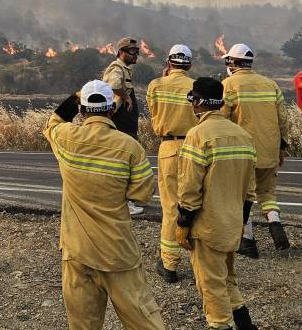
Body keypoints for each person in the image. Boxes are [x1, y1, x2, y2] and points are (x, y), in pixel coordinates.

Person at [44, 80, 164, 330]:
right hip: (117, 252)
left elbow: (52, 123)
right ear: (112, 111)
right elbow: (141, 195)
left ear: (82, 111)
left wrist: (76, 96)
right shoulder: (130, 148)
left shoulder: (66, 138)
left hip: (77, 252)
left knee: (83, 324)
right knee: (144, 321)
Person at [176, 77, 260, 330]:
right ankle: (246, 325)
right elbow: (250, 189)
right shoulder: (243, 135)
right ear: (221, 103)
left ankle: (219, 324)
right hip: (233, 224)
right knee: (227, 279)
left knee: (210, 283)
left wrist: (183, 222)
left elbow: (190, 187)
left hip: (208, 226)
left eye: (193, 100)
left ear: (198, 103)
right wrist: (242, 219)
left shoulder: (198, 135)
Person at [221, 43, 292, 257]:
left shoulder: (228, 85)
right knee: (267, 193)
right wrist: (282, 147)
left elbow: (221, 119)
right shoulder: (270, 84)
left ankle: (248, 241)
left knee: (242, 196)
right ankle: (275, 224)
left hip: (242, 153)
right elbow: (283, 120)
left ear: (232, 63)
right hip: (269, 150)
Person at [144, 44, 198, 283]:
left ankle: (169, 264)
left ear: (168, 63)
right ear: (189, 65)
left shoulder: (156, 85)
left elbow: (154, 115)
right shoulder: (197, 86)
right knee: (196, 204)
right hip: (197, 147)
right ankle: (201, 263)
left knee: (170, 207)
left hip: (168, 147)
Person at [103, 37, 144, 215]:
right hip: (120, 121)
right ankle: (124, 203)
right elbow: (114, 85)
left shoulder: (125, 69)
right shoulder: (117, 68)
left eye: (137, 51)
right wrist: (126, 97)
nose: (136, 55)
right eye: (132, 51)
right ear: (121, 52)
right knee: (123, 161)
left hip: (125, 122)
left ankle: (123, 199)